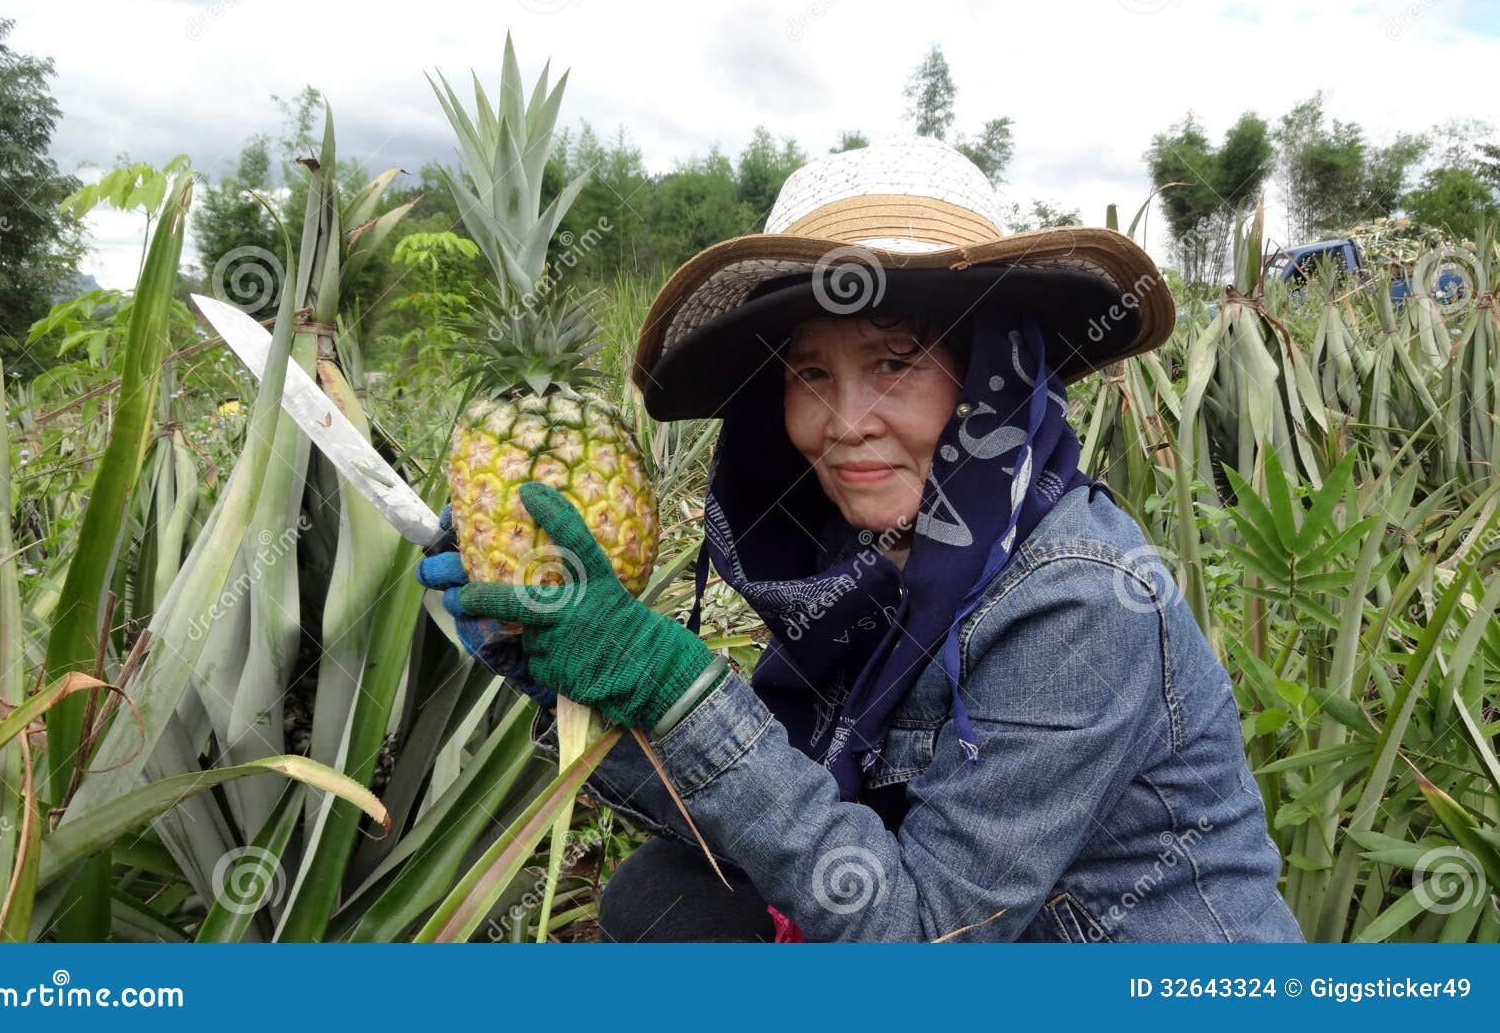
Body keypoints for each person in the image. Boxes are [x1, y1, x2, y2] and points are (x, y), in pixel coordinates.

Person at [417, 136, 1304, 943]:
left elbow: (926, 937)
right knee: (667, 899)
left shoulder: (1079, 592)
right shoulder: (863, 560)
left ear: (993, 369)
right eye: (810, 372)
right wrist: (568, 681)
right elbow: (778, 815)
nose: (845, 424)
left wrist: (671, 686)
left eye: (894, 361)